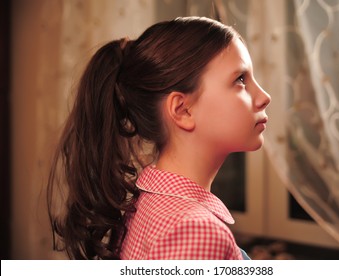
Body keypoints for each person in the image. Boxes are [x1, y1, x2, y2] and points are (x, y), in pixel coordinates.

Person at [47, 16, 271, 260]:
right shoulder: (195, 232)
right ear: (183, 110)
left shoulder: (146, 205)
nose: (264, 96)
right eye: (240, 80)